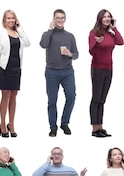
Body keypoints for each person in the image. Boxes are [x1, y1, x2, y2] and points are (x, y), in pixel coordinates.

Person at [0, 10, 30, 138]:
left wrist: (19, 28)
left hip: (16, 68)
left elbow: (27, 43)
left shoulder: (18, 33)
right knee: (6, 95)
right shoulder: (0, 33)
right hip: (4, 67)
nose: (11, 20)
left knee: (14, 96)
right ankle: (2, 124)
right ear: (4, 20)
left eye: (13, 18)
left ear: (16, 20)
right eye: (8, 18)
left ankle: (12, 124)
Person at [39, 9, 78, 137]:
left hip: (67, 71)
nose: (60, 20)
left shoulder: (70, 36)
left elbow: (76, 54)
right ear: (53, 19)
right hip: (52, 72)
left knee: (71, 97)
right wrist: (50, 30)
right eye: (57, 18)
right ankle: (53, 127)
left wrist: (70, 54)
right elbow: (43, 45)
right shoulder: (48, 34)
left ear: (65, 19)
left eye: (62, 18)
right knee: (52, 101)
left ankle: (64, 123)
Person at [88, 9, 124, 138]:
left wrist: (115, 28)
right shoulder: (94, 33)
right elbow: (91, 52)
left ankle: (101, 127)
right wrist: (97, 43)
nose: (107, 19)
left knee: (102, 100)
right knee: (96, 98)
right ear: (99, 19)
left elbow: (120, 42)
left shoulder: (110, 33)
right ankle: (94, 129)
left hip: (109, 69)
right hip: (97, 69)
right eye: (105, 17)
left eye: (109, 17)